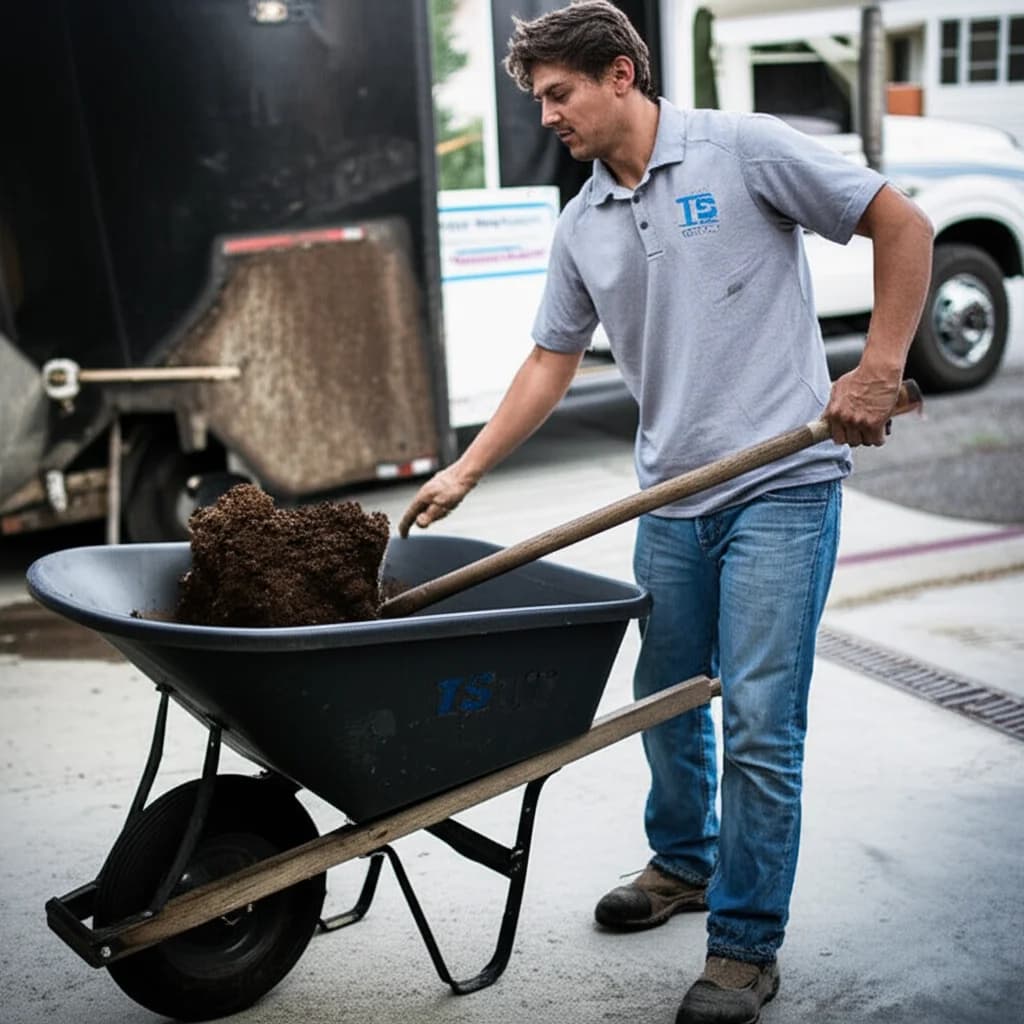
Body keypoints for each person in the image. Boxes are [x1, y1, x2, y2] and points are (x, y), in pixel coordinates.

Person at [400, 3, 933, 1022]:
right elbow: (550, 359)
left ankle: (743, 943)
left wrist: (877, 364)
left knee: (761, 722)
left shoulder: (740, 149)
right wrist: (467, 469)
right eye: (538, 99)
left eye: (557, 95)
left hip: (780, 489)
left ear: (618, 74)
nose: (547, 116)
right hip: (671, 499)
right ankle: (681, 862)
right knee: (666, 700)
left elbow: (899, 223)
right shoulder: (583, 222)